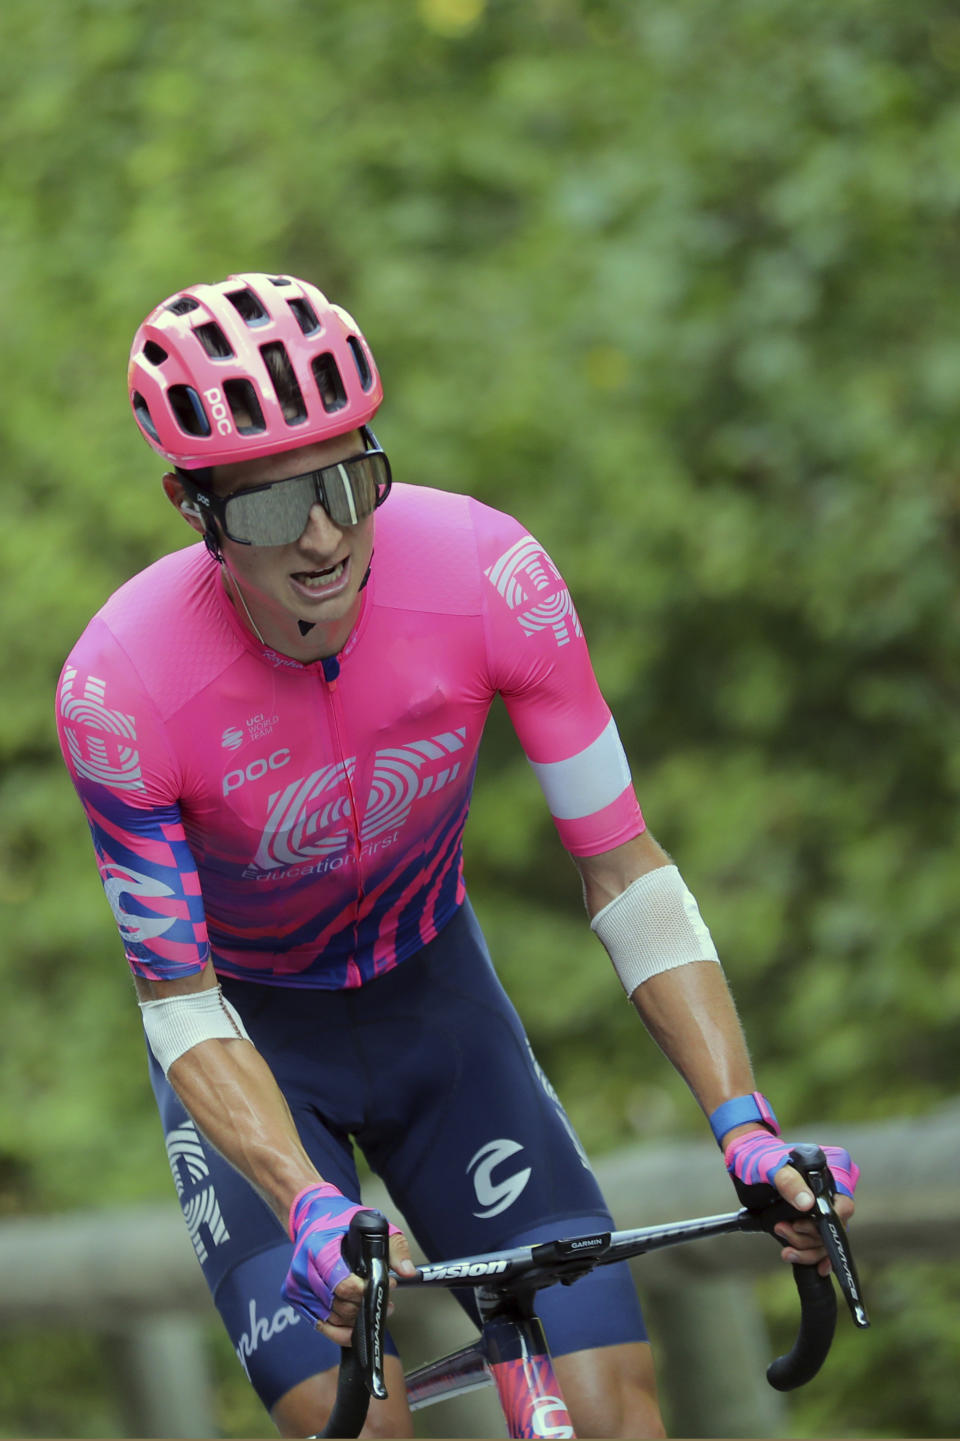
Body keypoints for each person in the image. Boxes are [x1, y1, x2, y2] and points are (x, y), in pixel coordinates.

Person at [56, 271, 858, 1439]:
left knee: (617, 1411)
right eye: (275, 509)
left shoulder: (491, 577)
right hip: (253, 1039)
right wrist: (303, 1200)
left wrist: (743, 1123)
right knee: (353, 1413)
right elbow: (176, 1002)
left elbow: (626, 870)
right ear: (197, 509)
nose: (325, 533)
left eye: (345, 482)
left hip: (436, 1005)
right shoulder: (121, 688)